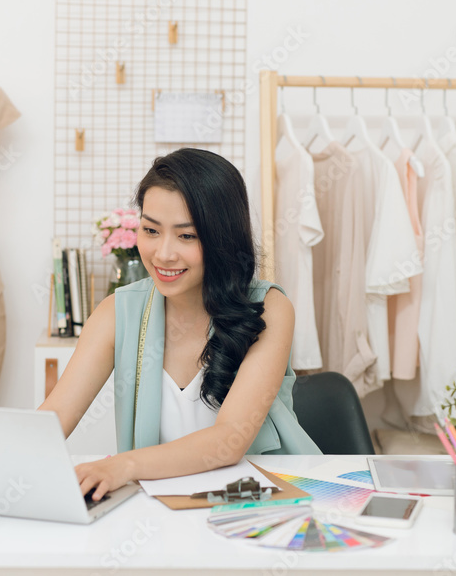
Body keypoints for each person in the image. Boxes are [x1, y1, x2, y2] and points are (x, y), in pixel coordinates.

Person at [39, 148, 320, 502]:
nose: (163, 253)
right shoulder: (118, 312)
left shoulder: (268, 307)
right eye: (151, 230)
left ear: (222, 239)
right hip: (164, 505)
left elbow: (228, 441)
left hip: (265, 500)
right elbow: (52, 419)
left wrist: (121, 466)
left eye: (186, 236)